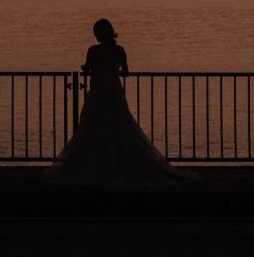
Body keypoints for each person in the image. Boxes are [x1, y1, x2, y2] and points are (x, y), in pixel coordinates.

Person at [44, 18, 198, 188]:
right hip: (114, 93)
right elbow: (125, 72)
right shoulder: (119, 50)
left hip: (97, 93)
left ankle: (92, 165)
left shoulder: (93, 50)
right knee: (121, 127)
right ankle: (124, 164)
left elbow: (87, 69)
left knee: (92, 128)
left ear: (98, 34)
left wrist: (91, 69)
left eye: (95, 33)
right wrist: (111, 71)